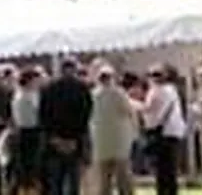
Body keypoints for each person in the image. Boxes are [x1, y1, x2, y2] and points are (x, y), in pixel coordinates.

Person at [40, 60, 92, 195]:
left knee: (56, 181)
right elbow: (86, 115)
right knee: (73, 180)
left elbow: (43, 116)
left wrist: (54, 138)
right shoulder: (82, 89)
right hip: (74, 139)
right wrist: (75, 138)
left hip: (55, 140)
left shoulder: (49, 89)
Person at [90, 66, 137, 195]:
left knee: (104, 178)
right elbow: (129, 111)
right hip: (119, 140)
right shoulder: (118, 93)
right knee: (123, 176)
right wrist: (134, 130)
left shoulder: (93, 95)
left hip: (100, 141)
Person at [141, 66, 185, 195]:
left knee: (161, 169)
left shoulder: (155, 91)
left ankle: (162, 191)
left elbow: (148, 108)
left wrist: (131, 103)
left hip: (161, 132)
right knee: (170, 168)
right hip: (173, 131)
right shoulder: (172, 90)